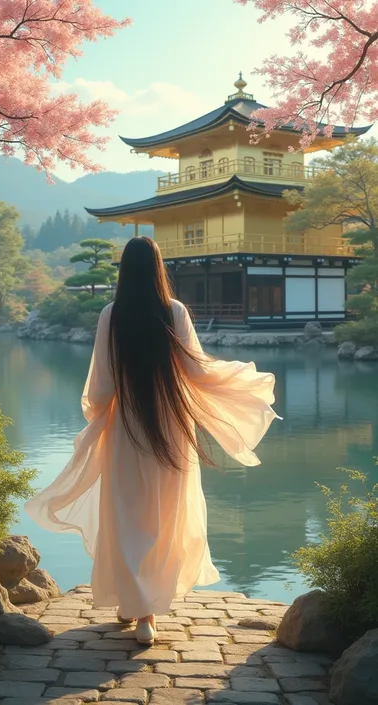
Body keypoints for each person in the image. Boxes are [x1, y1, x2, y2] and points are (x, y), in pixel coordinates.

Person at [25, 236, 279, 646]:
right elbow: (196, 371)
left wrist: (97, 416)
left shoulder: (112, 313)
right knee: (163, 517)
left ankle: (136, 606)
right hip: (170, 427)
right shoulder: (174, 311)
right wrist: (242, 381)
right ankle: (146, 612)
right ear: (159, 268)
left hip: (125, 427)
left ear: (124, 271)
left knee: (127, 518)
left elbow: (102, 384)